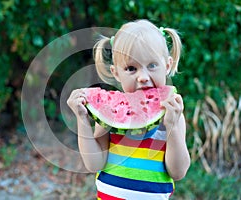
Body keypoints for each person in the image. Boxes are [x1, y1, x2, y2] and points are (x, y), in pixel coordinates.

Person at [67, 19, 190, 199]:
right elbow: (94, 164)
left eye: (152, 65)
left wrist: (171, 128)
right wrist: (82, 119)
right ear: (116, 73)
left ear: (167, 65)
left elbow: (178, 172)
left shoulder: (173, 116)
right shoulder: (110, 112)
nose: (142, 77)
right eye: (131, 68)